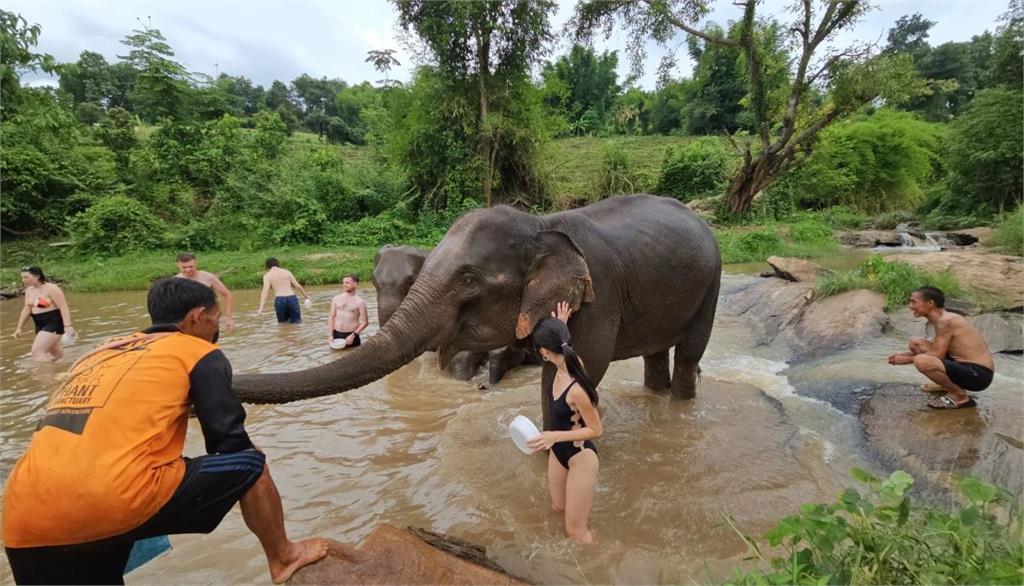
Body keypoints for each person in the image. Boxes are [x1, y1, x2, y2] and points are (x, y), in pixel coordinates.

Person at [2, 278, 330, 585]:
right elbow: (227, 441)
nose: (217, 328)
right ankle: (284, 556)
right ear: (197, 317)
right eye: (215, 319)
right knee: (251, 463)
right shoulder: (197, 351)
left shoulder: (101, 352)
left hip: (22, 516)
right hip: (111, 498)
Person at [527, 301, 603, 543]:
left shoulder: (577, 388)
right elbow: (563, 343)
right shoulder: (566, 358)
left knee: (575, 531)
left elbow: (596, 430)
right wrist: (561, 324)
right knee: (558, 507)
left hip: (580, 456)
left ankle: (596, 566)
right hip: (558, 452)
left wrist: (553, 436)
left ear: (545, 353)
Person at [887, 286, 995, 409]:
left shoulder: (945, 321)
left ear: (930, 303)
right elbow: (938, 351)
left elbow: (936, 356)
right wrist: (903, 354)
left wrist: (905, 360)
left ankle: (959, 396)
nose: (910, 306)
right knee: (915, 343)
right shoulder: (942, 318)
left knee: (921, 361)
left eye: (913, 302)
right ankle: (947, 385)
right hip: (964, 366)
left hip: (978, 375)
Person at [12, 266, 75, 362]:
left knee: (37, 352)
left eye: (26, 277)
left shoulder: (52, 288)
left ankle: (47, 377)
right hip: (39, 323)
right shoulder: (29, 290)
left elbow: (63, 306)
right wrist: (19, 327)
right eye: (22, 278)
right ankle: (66, 367)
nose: (23, 280)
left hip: (54, 322)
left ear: (37, 276)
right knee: (56, 354)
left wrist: (68, 325)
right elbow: (27, 308)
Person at [175, 252, 235, 330]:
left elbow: (227, 295)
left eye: (191, 266)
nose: (188, 270)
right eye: (184, 267)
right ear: (178, 265)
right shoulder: (175, 281)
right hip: (187, 321)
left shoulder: (207, 277)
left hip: (209, 318)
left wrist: (229, 318)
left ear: (195, 264)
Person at [257, 258, 311, 324]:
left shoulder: (267, 276)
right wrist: (305, 296)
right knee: (297, 323)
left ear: (267, 266)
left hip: (280, 300)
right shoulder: (286, 272)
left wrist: (261, 307)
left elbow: (265, 291)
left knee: (283, 324)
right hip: (292, 298)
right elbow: (298, 286)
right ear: (278, 264)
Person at [328, 274, 368, 348]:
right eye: (343, 283)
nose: (344, 285)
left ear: (355, 284)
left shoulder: (360, 302)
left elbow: (364, 323)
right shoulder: (336, 298)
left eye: (347, 283)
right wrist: (330, 335)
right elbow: (331, 317)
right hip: (336, 334)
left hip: (351, 335)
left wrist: (353, 335)